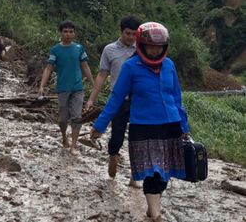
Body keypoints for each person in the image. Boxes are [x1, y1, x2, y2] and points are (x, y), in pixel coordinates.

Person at [90, 22, 190, 222]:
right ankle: (157, 216)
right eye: (151, 46)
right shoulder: (131, 67)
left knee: (164, 172)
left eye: (159, 46)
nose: (155, 50)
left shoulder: (169, 65)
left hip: (170, 126)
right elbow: (116, 98)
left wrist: (184, 125)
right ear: (141, 45)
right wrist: (100, 125)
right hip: (143, 128)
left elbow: (176, 98)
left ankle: (152, 207)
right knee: (153, 172)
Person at [84, 15, 141, 183]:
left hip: (138, 100)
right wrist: (91, 99)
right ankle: (113, 156)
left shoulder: (143, 50)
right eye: (128, 33)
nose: (131, 38)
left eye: (134, 34)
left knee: (137, 136)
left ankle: (134, 174)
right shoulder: (110, 50)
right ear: (121, 32)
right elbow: (102, 75)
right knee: (117, 133)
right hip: (119, 99)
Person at [38, 20, 94, 156]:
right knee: (63, 119)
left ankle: (74, 145)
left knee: (76, 116)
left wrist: (93, 84)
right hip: (62, 88)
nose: (68, 34)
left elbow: (85, 66)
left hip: (77, 87)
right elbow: (49, 67)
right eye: (65, 31)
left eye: (71, 31)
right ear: (61, 33)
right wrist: (41, 86)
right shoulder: (55, 50)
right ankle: (64, 136)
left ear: (74, 33)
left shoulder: (79, 48)